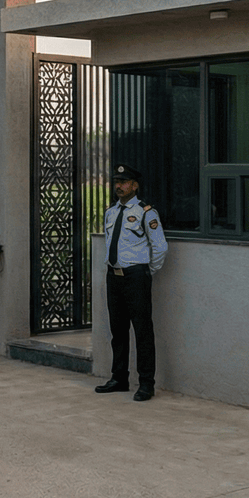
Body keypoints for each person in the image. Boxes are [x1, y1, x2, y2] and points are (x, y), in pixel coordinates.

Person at [95, 163, 167, 401]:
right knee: (118, 330)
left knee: (142, 331)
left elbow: (160, 246)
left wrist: (146, 271)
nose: (119, 186)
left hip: (136, 277)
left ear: (134, 186)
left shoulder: (147, 212)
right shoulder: (111, 212)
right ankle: (119, 378)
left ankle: (146, 383)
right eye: (116, 181)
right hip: (113, 276)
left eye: (124, 182)